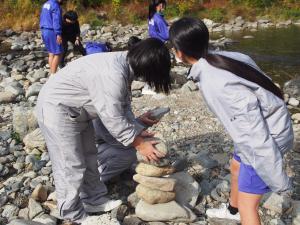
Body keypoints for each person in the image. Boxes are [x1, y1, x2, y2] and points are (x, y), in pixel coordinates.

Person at [169, 17, 294, 225]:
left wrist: (278, 179)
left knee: (249, 206)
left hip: (267, 138)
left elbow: (255, 136)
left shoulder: (216, 83)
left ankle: (241, 211)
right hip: (268, 123)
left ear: (179, 52)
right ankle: (232, 211)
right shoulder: (225, 57)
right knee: (236, 166)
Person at [36, 38, 171, 224]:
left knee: (89, 157)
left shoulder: (125, 63)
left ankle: (94, 200)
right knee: (70, 164)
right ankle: (71, 214)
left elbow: (122, 107)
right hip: (56, 108)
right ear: (149, 67)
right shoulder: (113, 73)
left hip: (77, 111)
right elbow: (112, 118)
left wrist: (137, 130)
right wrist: (139, 143)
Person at [40, 0, 64, 74]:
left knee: (51, 53)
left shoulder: (46, 4)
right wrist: (58, 34)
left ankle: (52, 72)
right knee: (59, 53)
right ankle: (53, 75)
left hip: (44, 29)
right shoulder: (55, 5)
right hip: (51, 30)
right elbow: (56, 20)